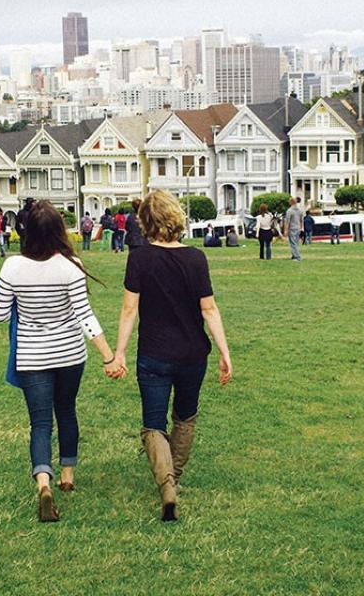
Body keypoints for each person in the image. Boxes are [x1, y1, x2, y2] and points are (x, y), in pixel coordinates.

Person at [0, 200, 122, 523]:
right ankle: (67, 474)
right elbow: (85, 316)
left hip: (32, 355)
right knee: (66, 410)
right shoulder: (70, 265)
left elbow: (0, 316)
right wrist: (108, 356)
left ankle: (43, 483)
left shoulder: (11, 267)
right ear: (57, 232)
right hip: (69, 354)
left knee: (39, 423)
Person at [111, 190, 232, 522]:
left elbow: (128, 309)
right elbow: (209, 310)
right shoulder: (196, 258)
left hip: (153, 355)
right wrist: (224, 351)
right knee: (185, 418)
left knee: (153, 424)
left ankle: (166, 485)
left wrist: (118, 353)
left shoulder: (139, 258)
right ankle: (172, 482)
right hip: (193, 355)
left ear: (146, 222)